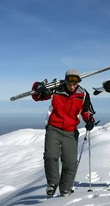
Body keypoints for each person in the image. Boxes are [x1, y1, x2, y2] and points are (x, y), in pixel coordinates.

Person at [31, 68, 96, 197]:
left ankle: (65, 189)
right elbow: (37, 96)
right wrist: (37, 86)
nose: (72, 86)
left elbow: (87, 110)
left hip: (70, 130)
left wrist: (89, 119)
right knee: (50, 156)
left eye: (75, 83)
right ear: (65, 80)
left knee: (70, 162)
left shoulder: (82, 94)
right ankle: (53, 183)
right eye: (70, 83)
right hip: (53, 128)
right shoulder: (56, 89)